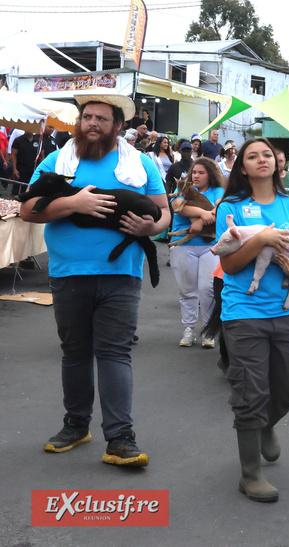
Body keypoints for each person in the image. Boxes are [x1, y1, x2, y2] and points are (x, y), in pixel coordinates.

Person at [20, 90, 170, 467]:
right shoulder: (57, 160)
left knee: (114, 352)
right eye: (88, 117)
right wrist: (74, 203)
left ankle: (120, 437)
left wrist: (150, 225)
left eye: (102, 119)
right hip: (68, 273)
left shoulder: (140, 163)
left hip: (122, 273)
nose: (93, 124)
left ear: (118, 126)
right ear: (79, 120)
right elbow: (27, 210)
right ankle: (76, 425)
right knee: (74, 353)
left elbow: (166, 214)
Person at [215, 138, 289, 502]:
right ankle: (250, 474)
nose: (261, 160)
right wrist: (262, 239)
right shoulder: (232, 207)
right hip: (244, 313)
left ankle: (266, 425)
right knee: (251, 390)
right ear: (242, 167)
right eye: (252, 156)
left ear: (277, 163)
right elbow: (227, 264)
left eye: (267, 155)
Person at [170, 157, 224, 348]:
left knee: (207, 289)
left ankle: (208, 331)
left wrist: (200, 222)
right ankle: (189, 328)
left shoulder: (217, 190)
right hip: (183, 245)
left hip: (210, 245)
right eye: (194, 172)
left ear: (210, 174)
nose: (197, 176)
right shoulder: (184, 188)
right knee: (187, 290)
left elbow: (221, 206)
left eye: (201, 172)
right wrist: (202, 215)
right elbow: (177, 206)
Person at [11, 131, 40, 196]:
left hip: (33, 169)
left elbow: (41, 156)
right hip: (20, 169)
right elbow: (13, 155)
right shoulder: (18, 140)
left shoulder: (39, 141)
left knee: (28, 190)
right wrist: (14, 169)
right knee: (16, 191)